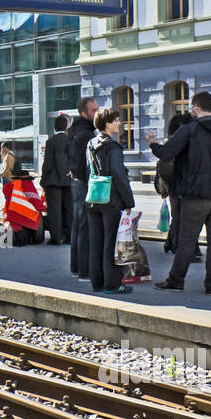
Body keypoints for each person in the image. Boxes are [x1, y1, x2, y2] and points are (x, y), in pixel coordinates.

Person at [146, 91, 211, 296]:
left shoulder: (190, 130)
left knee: (187, 240)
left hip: (195, 194)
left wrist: (152, 143)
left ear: (196, 107)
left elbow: (167, 154)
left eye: (191, 107)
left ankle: (177, 280)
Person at [86, 109, 135, 295]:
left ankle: (96, 282)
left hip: (93, 197)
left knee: (96, 242)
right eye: (116, 120)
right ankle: (113, 284)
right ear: (107, 124)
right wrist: (128, 201)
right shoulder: (113, 147)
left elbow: (88, 170)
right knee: (111, 243)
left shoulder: (91, 144)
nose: (119, 124)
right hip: (111, 199)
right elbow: (119, 175)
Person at [66, 97, 98, 279]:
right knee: (85, 227)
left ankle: (75, 266)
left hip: (76, 182)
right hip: (84, 183)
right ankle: (84, 270)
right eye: (93, 110)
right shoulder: (85, 134)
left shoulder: (74, 131)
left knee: (78, 226)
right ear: (83, 113)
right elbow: (83, 163)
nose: (96, 113)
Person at [156, 112, 194, 257]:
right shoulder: (183, 142)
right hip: (181, 185)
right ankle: (176, 245)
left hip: (172, 185)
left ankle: (171, 243)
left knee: (177, 217)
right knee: (182, 217)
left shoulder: (171, 142)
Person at [41, 116, 73, 245]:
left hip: (53, 181)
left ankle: (56, 237)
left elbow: (48, 164)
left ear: (55, 127)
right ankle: (69, 236)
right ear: (66, 127)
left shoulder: (51, 142)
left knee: (54, 210)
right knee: (68, 209)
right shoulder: (71, 141)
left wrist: (43, 179)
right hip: (68, 180)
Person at [2, 167, 46, 246]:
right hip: (25, 214)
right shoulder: (27, 184)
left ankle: (10, 238)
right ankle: (30, 238)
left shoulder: (9, 185)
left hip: (10, 214)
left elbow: (6, 193)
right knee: (38, 216)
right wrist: (43, 208)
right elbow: (34, 199)